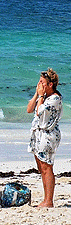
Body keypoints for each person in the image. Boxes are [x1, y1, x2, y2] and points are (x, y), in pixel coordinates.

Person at [26, 68, 63, 208]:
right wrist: (37, 94)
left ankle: (49, 201)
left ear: (50, 85)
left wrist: (41, 96)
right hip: (38, 134)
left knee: (47, 167)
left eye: (42, 82)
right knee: (41, 166)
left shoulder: (54, 99)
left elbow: (39, 111)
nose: (39, 84)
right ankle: (46, 198)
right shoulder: (44, 97)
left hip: (48, 135)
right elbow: (30, 109)